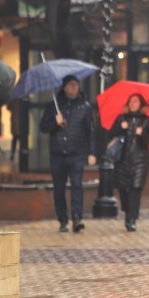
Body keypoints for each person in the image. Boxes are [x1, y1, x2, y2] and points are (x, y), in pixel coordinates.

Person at [39, 75, 97, 232]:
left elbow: (89, 131)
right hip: (58, 153)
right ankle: (62, 218)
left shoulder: (84, 107)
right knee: (59, 188)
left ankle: (77, 218)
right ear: (64, 87)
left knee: (77, 185)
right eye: (71, 85)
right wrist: (56, 123)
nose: (74, 88)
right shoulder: (54, 106)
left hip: (76, 153)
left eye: (76, 85)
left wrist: (92, 152)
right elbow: (43, 127)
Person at [110, 93, 149, 232]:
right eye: (130, 101)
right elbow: (110, 134)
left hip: (139, 161)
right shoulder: (121, 119)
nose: (132, 104)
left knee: (135, 189)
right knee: (123, 190)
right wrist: (120, 127)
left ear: (141, 105)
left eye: (135, 101)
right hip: (122, 160)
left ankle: (131, 219)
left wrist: (142, 133)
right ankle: (127, 211)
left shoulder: (147, 121)